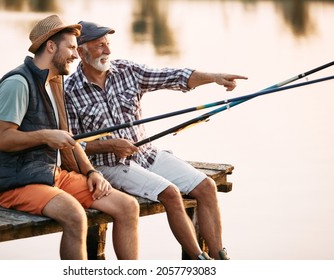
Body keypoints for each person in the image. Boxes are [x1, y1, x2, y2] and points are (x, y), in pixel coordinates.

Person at [65, 21, 248, 260]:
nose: (108, 51)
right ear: (81, 51)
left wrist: (214, 77)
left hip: (147, 154)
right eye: (100, 46)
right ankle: (198, 259)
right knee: (171, 193)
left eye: (108, 44)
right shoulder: (68, 91)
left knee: (206, 187)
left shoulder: (127, 71)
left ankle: (219, 257)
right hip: (109, 166)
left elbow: (173, 77)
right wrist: (110, 145)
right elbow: (73, 146)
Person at [0, 15, 139, 260]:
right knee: (75, 215)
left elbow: (69, 138)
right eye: (70, 47)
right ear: (50, 46)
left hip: (50, 175)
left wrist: (91, 172)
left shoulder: (55, 82)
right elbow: (2, 139)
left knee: (128, 206)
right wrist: (46, 136)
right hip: (16, 183)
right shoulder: (17, 83)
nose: (76, 56)